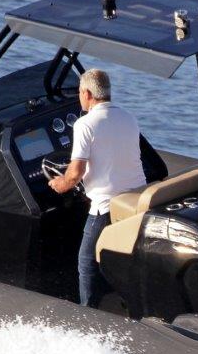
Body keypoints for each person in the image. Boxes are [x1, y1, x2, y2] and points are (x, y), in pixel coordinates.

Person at [47, 69, 146, 308]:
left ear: (88, 94)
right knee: (121, 259)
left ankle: (88, 313)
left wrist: (59, 184)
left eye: (80, 92)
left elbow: (75, 174)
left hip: (106, 206)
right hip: (135, 203)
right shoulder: (129, 118)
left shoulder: (85, 124)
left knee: (87, 261)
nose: (79, 97)